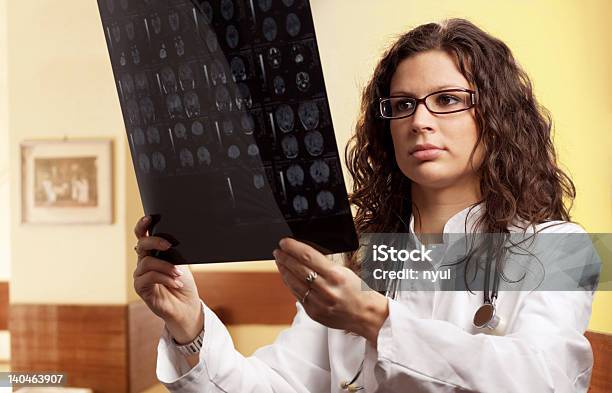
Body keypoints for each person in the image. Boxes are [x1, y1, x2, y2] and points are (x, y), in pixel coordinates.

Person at [132, 19, 596, 392]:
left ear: (496, 116)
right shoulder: (359, 260)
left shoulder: (559, 249)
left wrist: (371, 317)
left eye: (448, 100)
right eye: (402, 104)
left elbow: (544, 378)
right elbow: (274, 384)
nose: (420, 121)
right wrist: (187, 322)